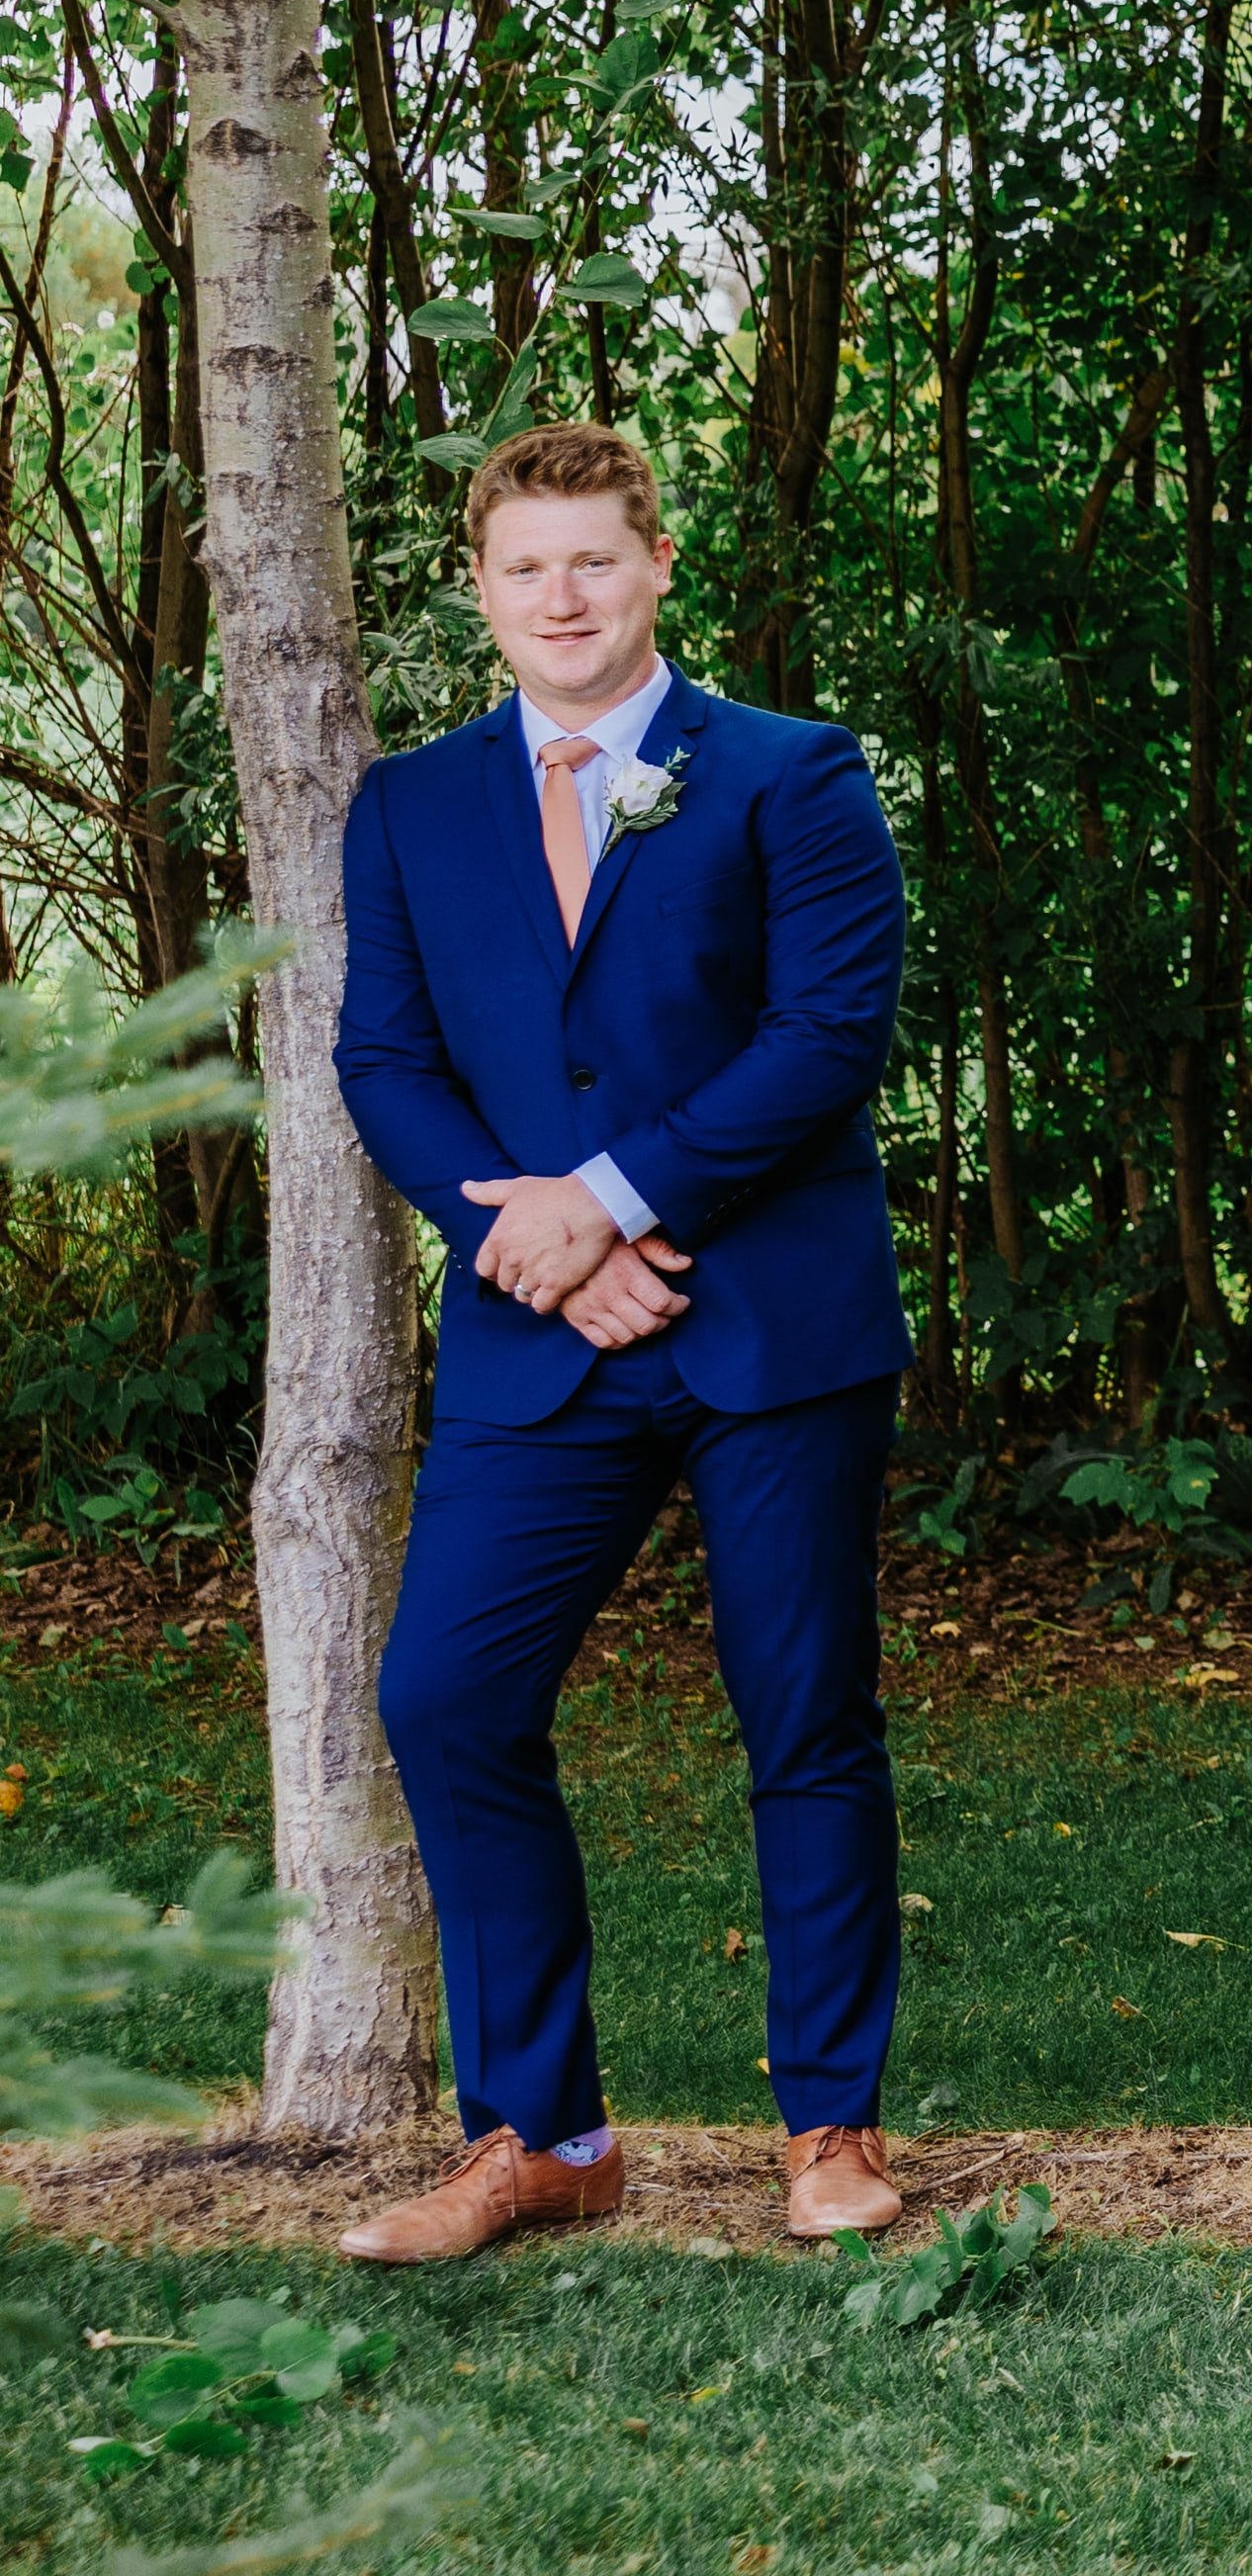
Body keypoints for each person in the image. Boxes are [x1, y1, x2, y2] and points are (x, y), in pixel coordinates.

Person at [329, 420, 915, 2264]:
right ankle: (546, 2135)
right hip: (537, 1335)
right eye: (525, 568)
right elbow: (385, 1062)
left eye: (594, 558)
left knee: (804, 1717)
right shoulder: (412, 805)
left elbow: (827, 1038)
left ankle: (830, 2127)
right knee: (446, 1698)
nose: (560, 596)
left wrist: (618, 1198)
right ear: (481, 592)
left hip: (772, 1326)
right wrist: (535, 1239)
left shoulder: (791, 777)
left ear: (657, 563)